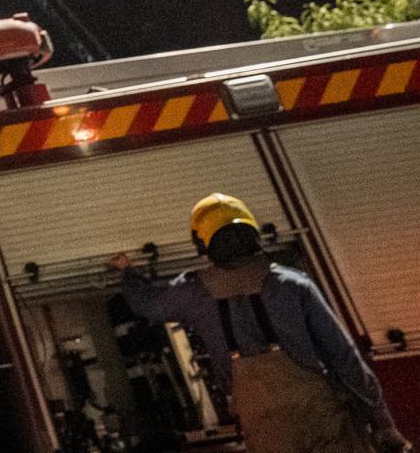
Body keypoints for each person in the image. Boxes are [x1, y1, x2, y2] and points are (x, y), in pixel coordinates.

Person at [108, 192, 410, 453]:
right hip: (323, 413)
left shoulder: (193, 293)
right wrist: (382, 424)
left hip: (263, 423)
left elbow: (146, 304)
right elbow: (345, 358)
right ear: (253, 234)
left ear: (202, 243)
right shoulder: (292, 283)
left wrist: (127, 272)